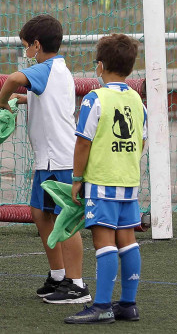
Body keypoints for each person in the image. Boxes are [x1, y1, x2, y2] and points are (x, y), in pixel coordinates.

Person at [0, 14, 89, 304]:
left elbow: (12, 78)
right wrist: (23, 100)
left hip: (59, 159)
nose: (25, 52)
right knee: (40, 214)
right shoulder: (56, 70)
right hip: (46, 161)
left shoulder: (46, 69)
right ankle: (58, 275)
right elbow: (45, 98)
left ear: (36, 45)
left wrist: (0, 103)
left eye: (26, 46)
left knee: (66, 220)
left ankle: (77, 285)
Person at [65, 34, 145, 324]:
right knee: (128, 239)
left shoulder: (94, 98)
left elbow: (83, 142)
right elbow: (142, 139)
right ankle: (128, 304)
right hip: (129, 181)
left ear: (99, 66)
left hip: (101, 182)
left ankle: (101, 306)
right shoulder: (136, 98)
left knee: (104, 241)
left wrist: (76, 178)